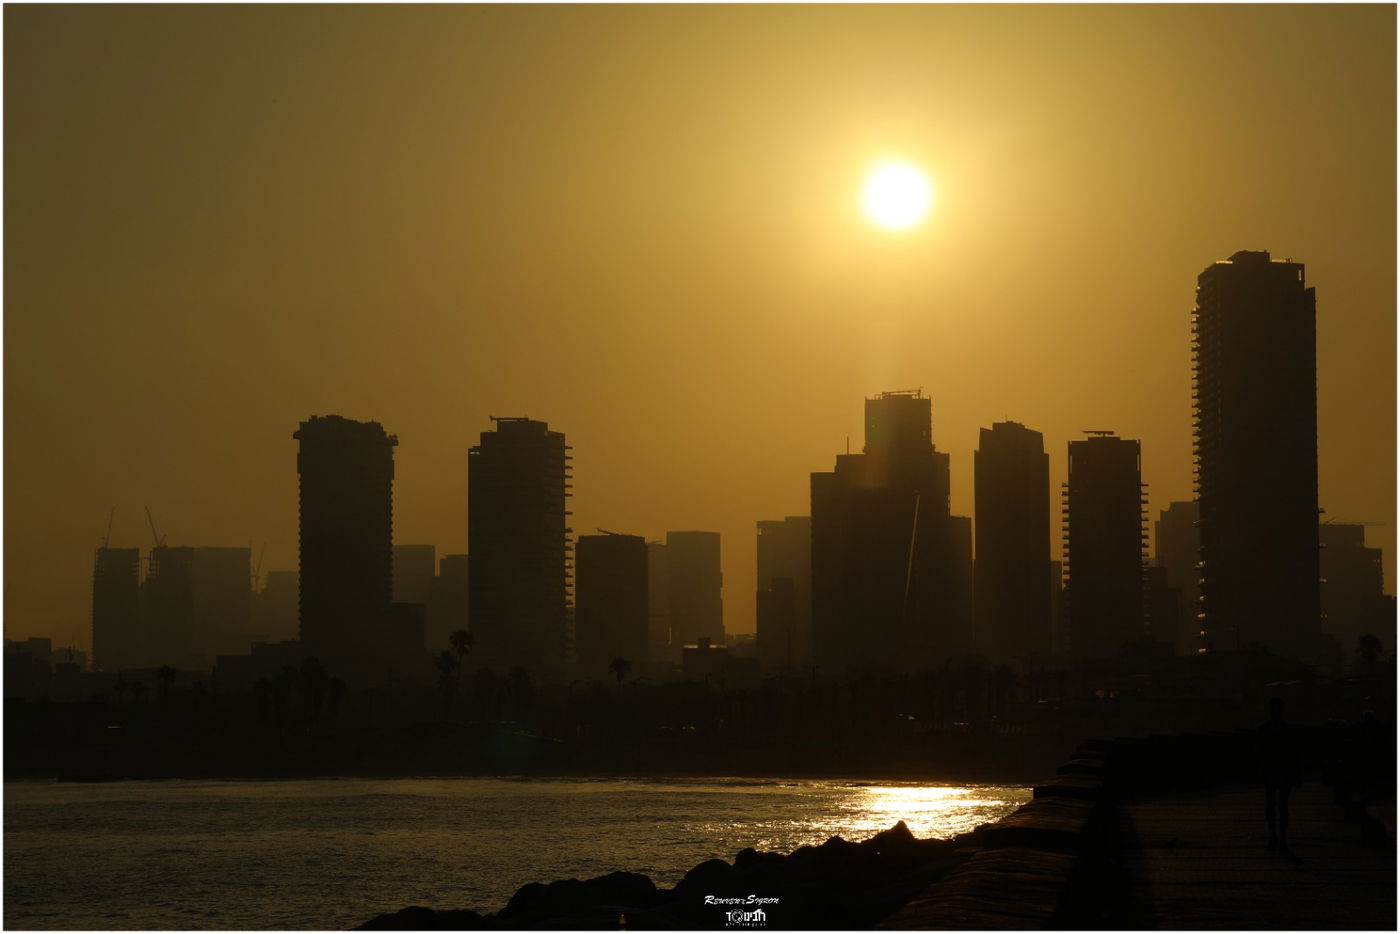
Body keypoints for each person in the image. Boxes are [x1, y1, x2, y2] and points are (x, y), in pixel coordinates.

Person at [1257, 697, 1302, 853]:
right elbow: (1295, 754)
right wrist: (1297, 775)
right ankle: (1280, 837)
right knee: (1282, 805)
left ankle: (1274, 834)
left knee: (1273, 804)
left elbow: (1259, 754)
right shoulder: (1288, 730)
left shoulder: (1264, 729)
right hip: (1283, 771)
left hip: (1273, 771)